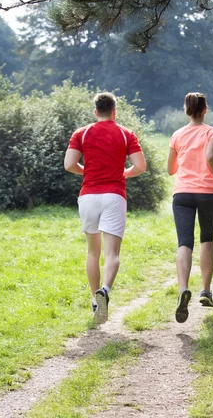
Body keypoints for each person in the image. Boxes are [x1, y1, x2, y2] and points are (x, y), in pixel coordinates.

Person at [64, 92, 146, 325]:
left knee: (92, 252)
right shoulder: (125, 133)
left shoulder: (82, 133)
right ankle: (106, 291)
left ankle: (94, 299)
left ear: (95, 112)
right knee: (112, 253)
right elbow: (140, 166)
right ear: (114, 111)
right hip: (114, 195)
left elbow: (69, 165)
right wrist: (124, 173)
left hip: (88, 196)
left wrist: (86, 171)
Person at [167, 92, 213, 323]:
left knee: (184, 242)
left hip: (182, 193)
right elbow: (210, 154)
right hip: (207, 193)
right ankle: (206, 291)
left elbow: (171, 169)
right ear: (205, 110)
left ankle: (183, 288)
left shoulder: (177, 135)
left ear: (186, 110)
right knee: (207, 239)